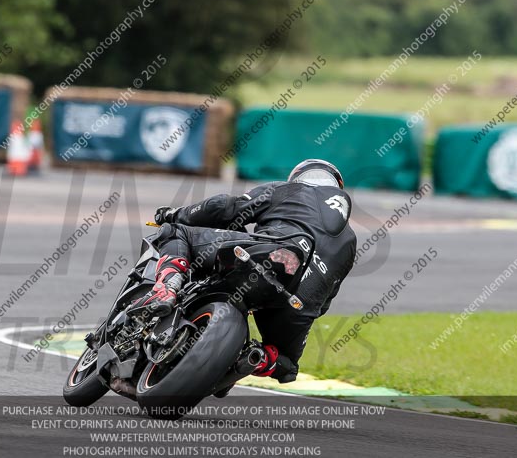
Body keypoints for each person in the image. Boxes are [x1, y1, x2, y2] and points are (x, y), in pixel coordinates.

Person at [133, 159, 357, 384]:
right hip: (297, 304)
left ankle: (168, 286)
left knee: (175, 232)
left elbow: (224, 207)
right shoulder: (350, 242)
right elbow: (326, 300)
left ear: (298, 177)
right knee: (286, 365)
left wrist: (175, 214)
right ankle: (256, 360)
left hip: (271, 255)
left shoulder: (288, 189)